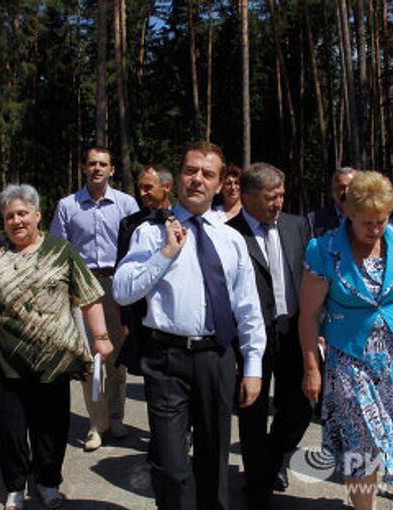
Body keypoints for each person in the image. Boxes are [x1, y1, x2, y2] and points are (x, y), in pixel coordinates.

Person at [114, 141, 265, 510]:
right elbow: (121, 290)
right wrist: (166, 253)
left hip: (215, 358)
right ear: (179, 177)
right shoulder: (150, 234)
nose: (197, 179)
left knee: (214, 463)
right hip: (166, 359)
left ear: (220, 185)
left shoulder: (231, 239)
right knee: (170, 466)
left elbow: (248, 308)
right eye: (190, 170)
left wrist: (254, 366)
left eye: (207, 174)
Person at [0, 184, 112, 510]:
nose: (17, 221)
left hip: (53, 358)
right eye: (10, 216)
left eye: (23, 213)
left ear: (37, 215)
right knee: (7, 426)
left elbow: (89, 297)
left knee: (50, 426)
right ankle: (15, 485)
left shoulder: (60, 250)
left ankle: (48, 481)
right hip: (0, 357)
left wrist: (102, 337)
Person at [299, 171, 393, 510]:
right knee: (361, 443)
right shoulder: (324, 250)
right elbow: (309, 314)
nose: (375, 229)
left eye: (381, 220)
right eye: (366, 222)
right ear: (349, 214)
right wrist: (311, 367)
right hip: (349, 360)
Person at [226, 162, 311, 509]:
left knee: (302, 406)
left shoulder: (296, 226)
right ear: (247, 197)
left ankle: (273, 458)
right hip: (249, 339)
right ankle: (258, 486)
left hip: (292, 331)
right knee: (252, 414)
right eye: (270, 197)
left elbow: (309, 280)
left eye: (281, 196)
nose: (278, 203)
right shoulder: (229, 234)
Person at [50, 146, 139, 451]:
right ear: (84, 168)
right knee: (90, 358)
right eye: (92, 164)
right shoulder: (67, 206)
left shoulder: (126, 204)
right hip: (83, 285)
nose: (97, 169)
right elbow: (59, 251)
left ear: (112, 170)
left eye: (103, 164)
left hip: (117, 284)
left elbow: (136, 246)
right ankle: (94, 424)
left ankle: (116, 417)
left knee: (116, 356)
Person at [115, 164, 174, 375]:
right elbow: (121, 270)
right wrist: (124, 319)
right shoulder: (130, 225)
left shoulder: (184, 220)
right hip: (141, 313)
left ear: (166, 187)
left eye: (148, 188)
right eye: (140, 188)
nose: (142, 193)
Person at [307, 167, 357, 238]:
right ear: (333, 191)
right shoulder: (315, 220)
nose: (347, 192)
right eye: (342, 187)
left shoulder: (369, 218)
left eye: (352, 187)